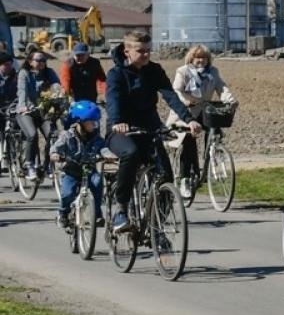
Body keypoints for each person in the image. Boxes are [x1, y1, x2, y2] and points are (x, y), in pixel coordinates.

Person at [104, 32, 200, 232]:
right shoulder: (116, 74)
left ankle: (157, 230)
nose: (146, 55)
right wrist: (117, 122)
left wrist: (189, 119)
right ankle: (121, 209)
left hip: (150, 128)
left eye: (148, 50)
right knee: (130, 154)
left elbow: (170, 96)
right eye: (141, 51)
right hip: (121, 130)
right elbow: (113, 100)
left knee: (166, 177)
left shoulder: (154, 70)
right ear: (127, 51)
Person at [171, 44, 236, 198]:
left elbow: (222, 88)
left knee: (215, 132)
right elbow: (176, 90)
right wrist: (185, 101)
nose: (201, 60)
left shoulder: (213, 72)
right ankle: (185, 179)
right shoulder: (183, 71)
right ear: (191, 58)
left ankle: (210, 161)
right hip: (187, 112)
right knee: (188, 141)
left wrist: (230, 100)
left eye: (204, 58)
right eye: (197, 57)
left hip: (205, 110)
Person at [51, 99, 107, 230]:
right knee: (67, 193)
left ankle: (97, 213)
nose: (94, 124)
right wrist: (55, 154)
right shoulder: (67, 136)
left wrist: (109, 155)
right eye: (91, 121)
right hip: (71, 171)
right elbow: (55, 148)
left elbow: (104, 148)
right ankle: (63, 213)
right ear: (80, 122)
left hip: (89, 170)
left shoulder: (96, 138)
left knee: (97, 182)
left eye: (95, 121)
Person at [12, 50, 64, 180]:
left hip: (43, 112)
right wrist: (23, 105)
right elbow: (22, 90)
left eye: (43, 60)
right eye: (38, 60)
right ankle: (29, 165)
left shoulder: (49, 72)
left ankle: (48, 164)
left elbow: (57, 84)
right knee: (32, 135)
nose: (41, 63)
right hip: (27, 112)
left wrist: (58, 93)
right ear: (30, 61)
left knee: (52, 134)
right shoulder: (24, 73)